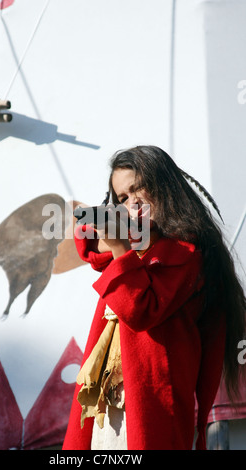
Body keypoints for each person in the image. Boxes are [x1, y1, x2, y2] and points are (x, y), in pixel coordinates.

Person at [62, 145, 246, 450]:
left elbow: (141, 311)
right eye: (122, 197)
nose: (132, 201)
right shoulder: (132, 249)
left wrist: (121, 248)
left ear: (164, 188)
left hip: (152, 408)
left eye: (139, 189)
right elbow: (88, 242)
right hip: (106, 406)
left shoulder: (186, 255)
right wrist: (119, 238)